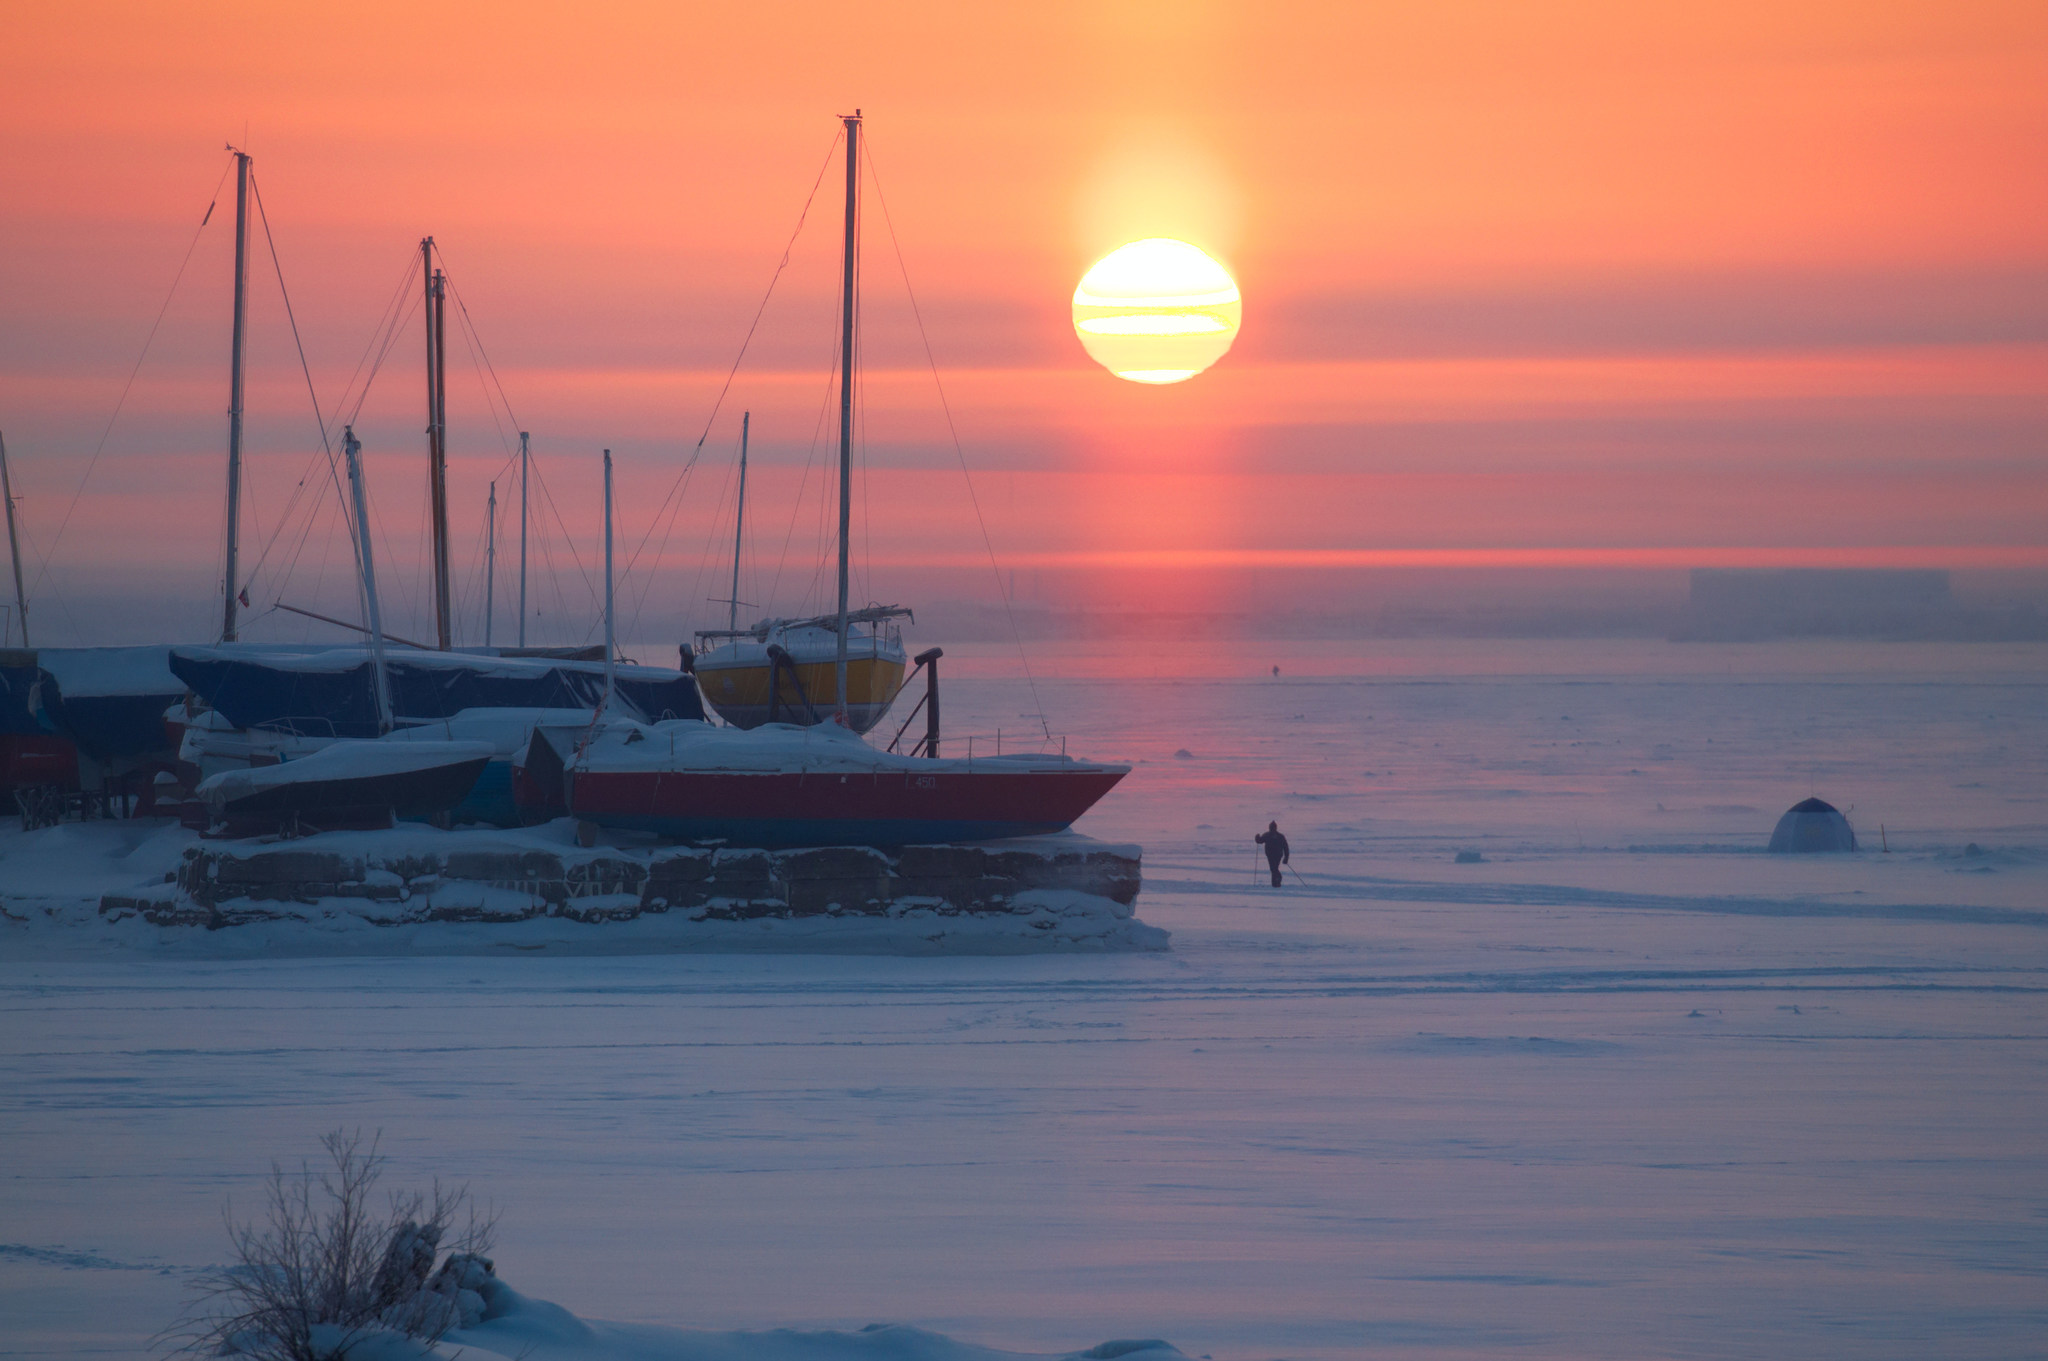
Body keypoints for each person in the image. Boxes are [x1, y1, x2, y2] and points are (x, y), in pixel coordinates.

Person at [1255, 821, 1290, 886]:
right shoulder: (1280, 836)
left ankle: (1277, 880)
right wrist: (1257, 838)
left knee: (1273, 868)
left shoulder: (1268, 835)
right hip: (1276, 855)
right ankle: (1275, 883)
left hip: (1273, 855)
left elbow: (1260, 841)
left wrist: (1257, 838)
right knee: (1274, 868)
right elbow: (1286, 847)